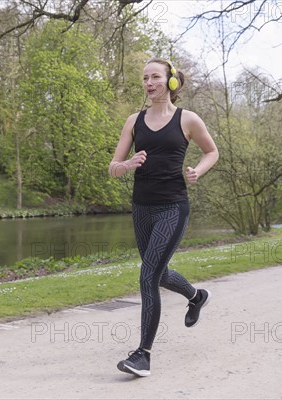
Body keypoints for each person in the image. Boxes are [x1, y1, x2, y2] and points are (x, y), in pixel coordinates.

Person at [108, 58, 219, 377]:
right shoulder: (134, 121)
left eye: (155, 76)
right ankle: (197, 296)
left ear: (170, 81)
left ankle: (142, 355)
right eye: (144, 78)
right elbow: (113, 168)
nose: (148, 83)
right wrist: (128, 164)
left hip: (173, 206)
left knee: (147, 275)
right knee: (158, 272)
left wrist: (197, 170)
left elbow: (212, 151)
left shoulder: (188, 119)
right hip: (142, 207)